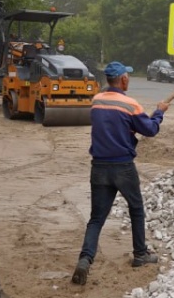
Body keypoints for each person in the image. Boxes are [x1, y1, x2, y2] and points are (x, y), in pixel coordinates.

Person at [71, 61, 168, 285]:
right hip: (123, 166)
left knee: (96, 218)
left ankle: (85, 259)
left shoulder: (96, 101)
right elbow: (150, 130)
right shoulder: (129, 105)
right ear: (123, 80)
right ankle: (140, 254)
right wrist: (159, 113)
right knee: (136, 209)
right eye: (128, 77)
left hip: (99, 166)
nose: (129, 80)